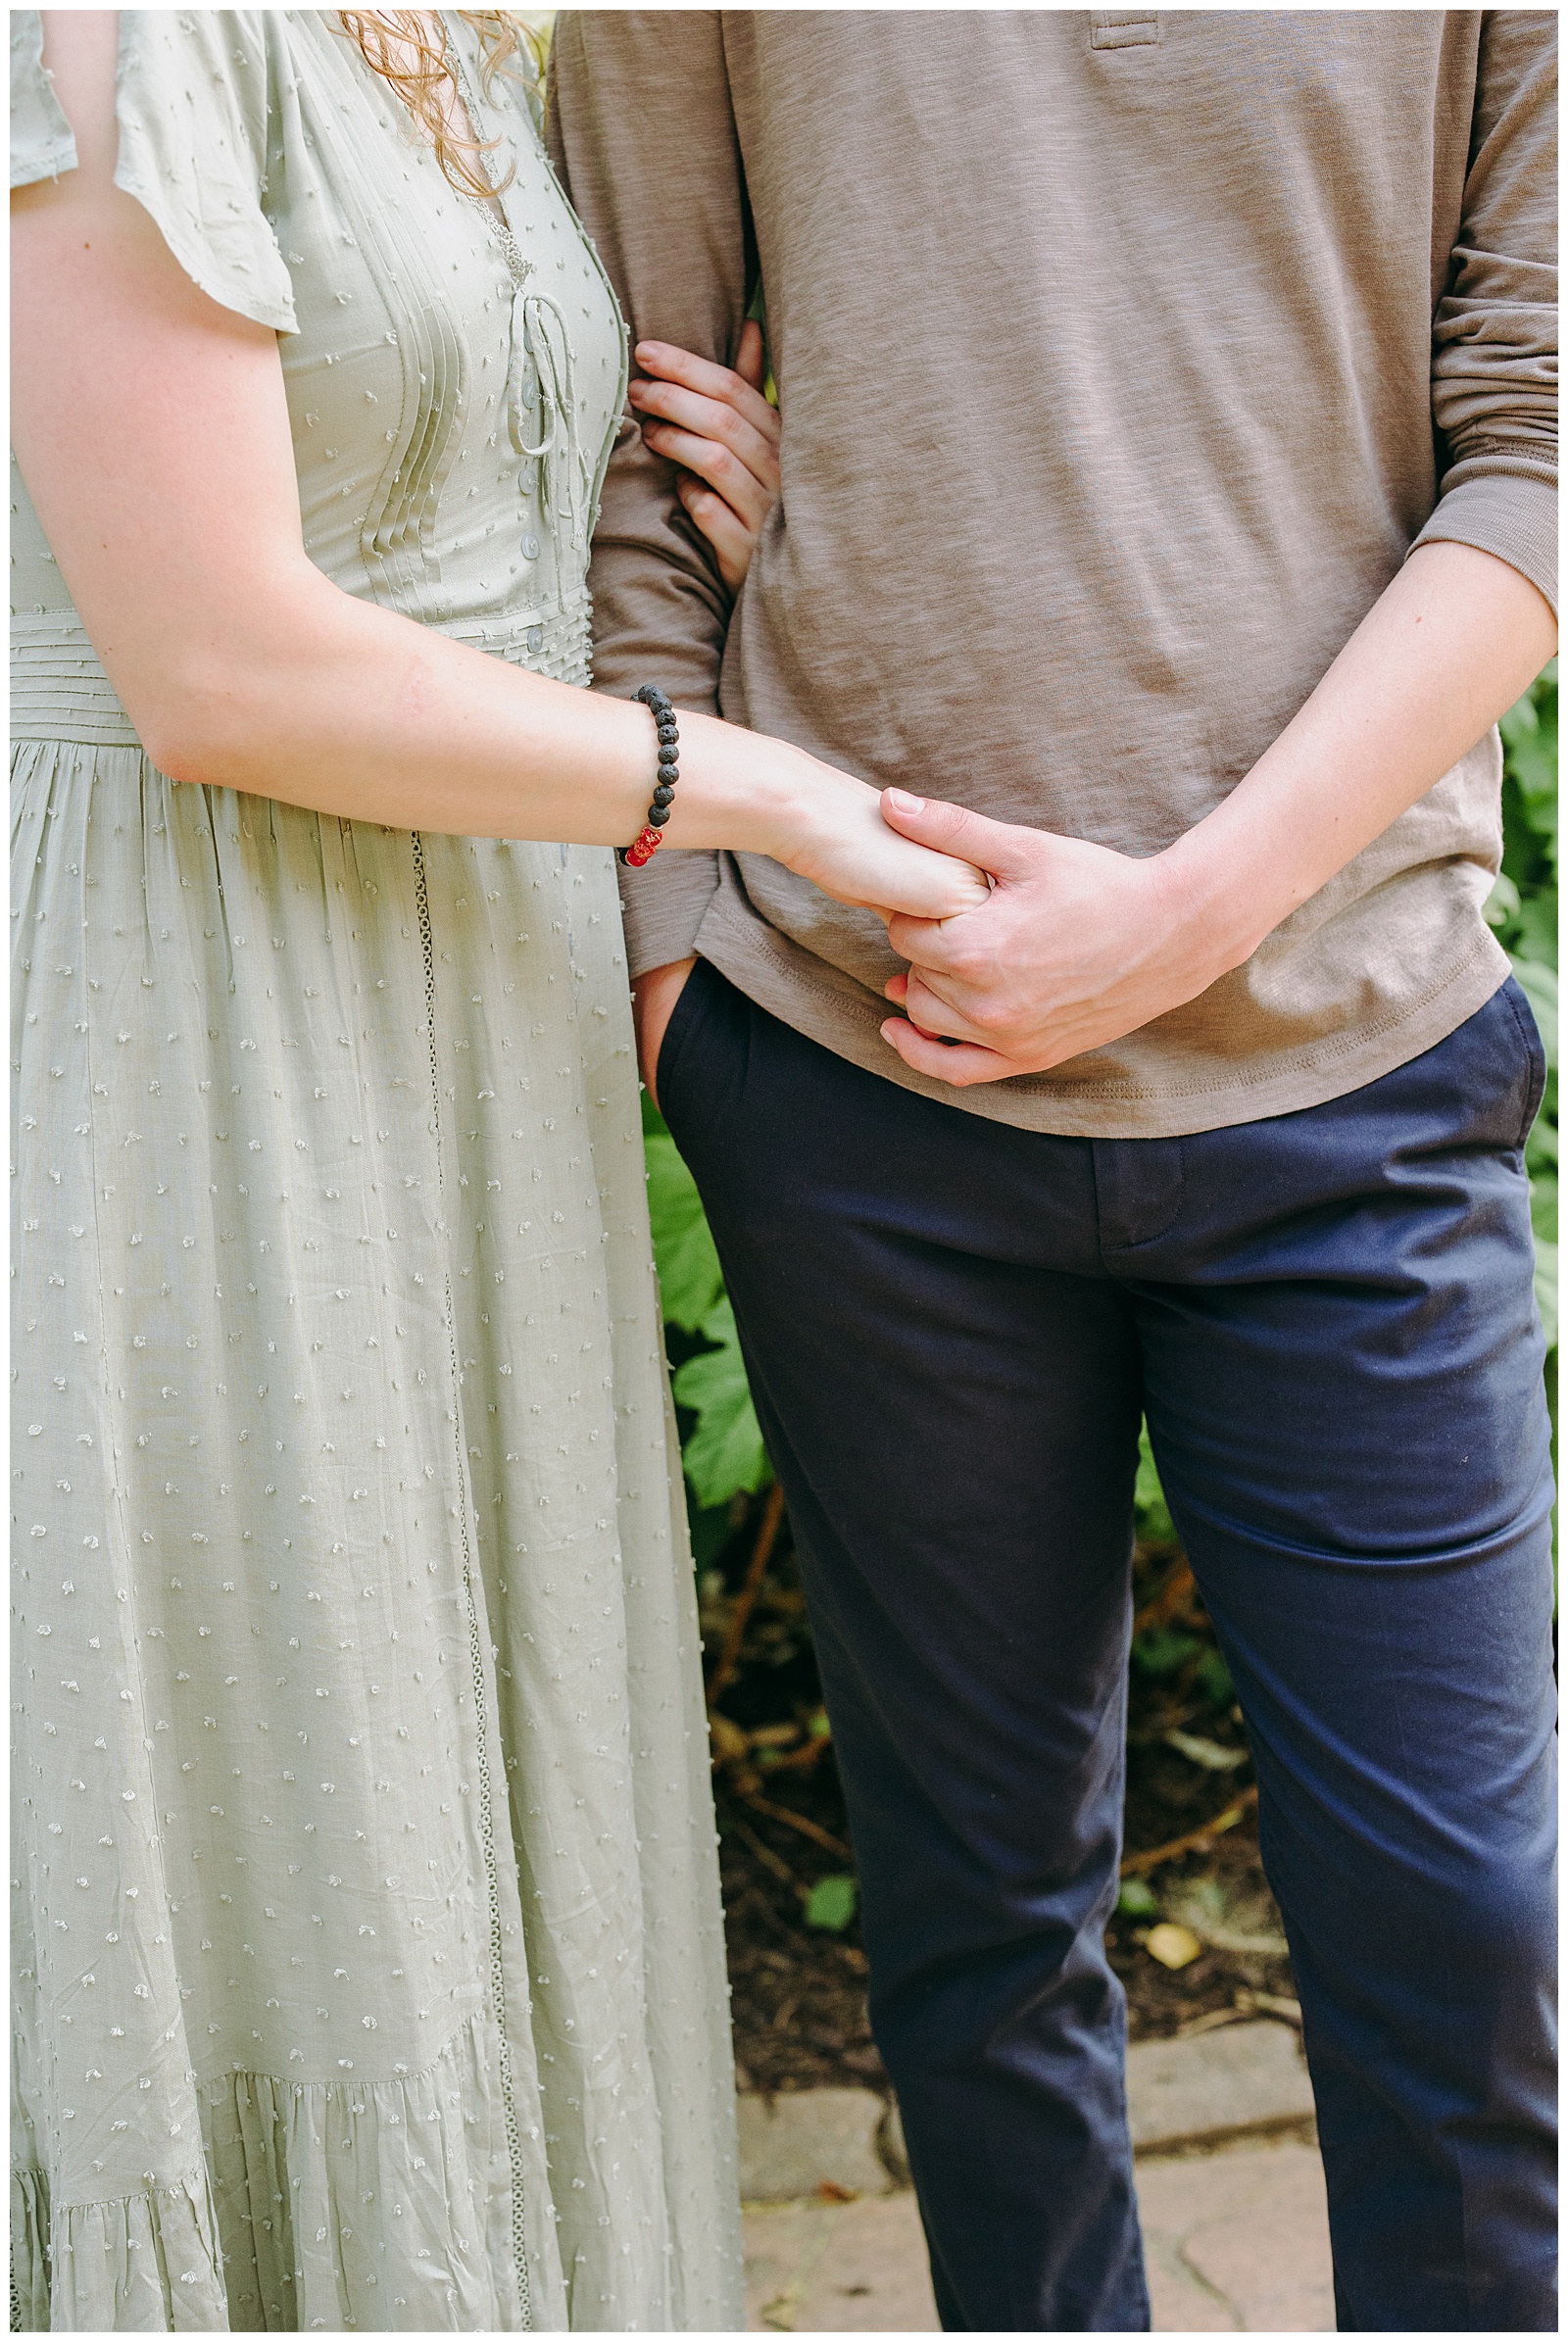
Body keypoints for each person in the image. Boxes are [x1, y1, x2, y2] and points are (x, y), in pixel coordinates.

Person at [549, 11, 1558, 2331]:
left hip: (1352, 1071)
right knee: (979, 1922)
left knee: (1464, 1921)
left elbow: (1532, 445)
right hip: (851, 1078)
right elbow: (623, 419)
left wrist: (1176, 915)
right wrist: (672, 968)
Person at [8, 10, 988, 2330]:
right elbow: (219, 665)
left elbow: (443, 462)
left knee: (473, 1782)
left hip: (464, 1011)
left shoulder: (454, 24)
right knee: (289, 1813)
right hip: (212, 1011)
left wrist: (720, 496)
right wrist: (745, 788)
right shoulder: (109, 27)